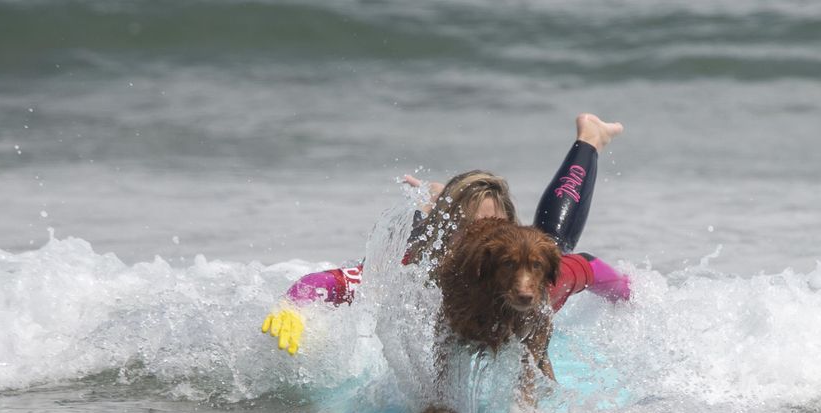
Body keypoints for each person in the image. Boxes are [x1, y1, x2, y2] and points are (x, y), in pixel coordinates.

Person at [262, 113, 631, 355]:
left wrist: (629, 296)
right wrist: (294, 305)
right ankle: (436, 200)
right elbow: (336, 281)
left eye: (493, 228)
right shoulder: (417, 267)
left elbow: (592, 267)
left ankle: (591, 138)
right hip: (436, 240)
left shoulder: (530, 273)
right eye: (470, 228)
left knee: (552, 241)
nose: (482, 237)